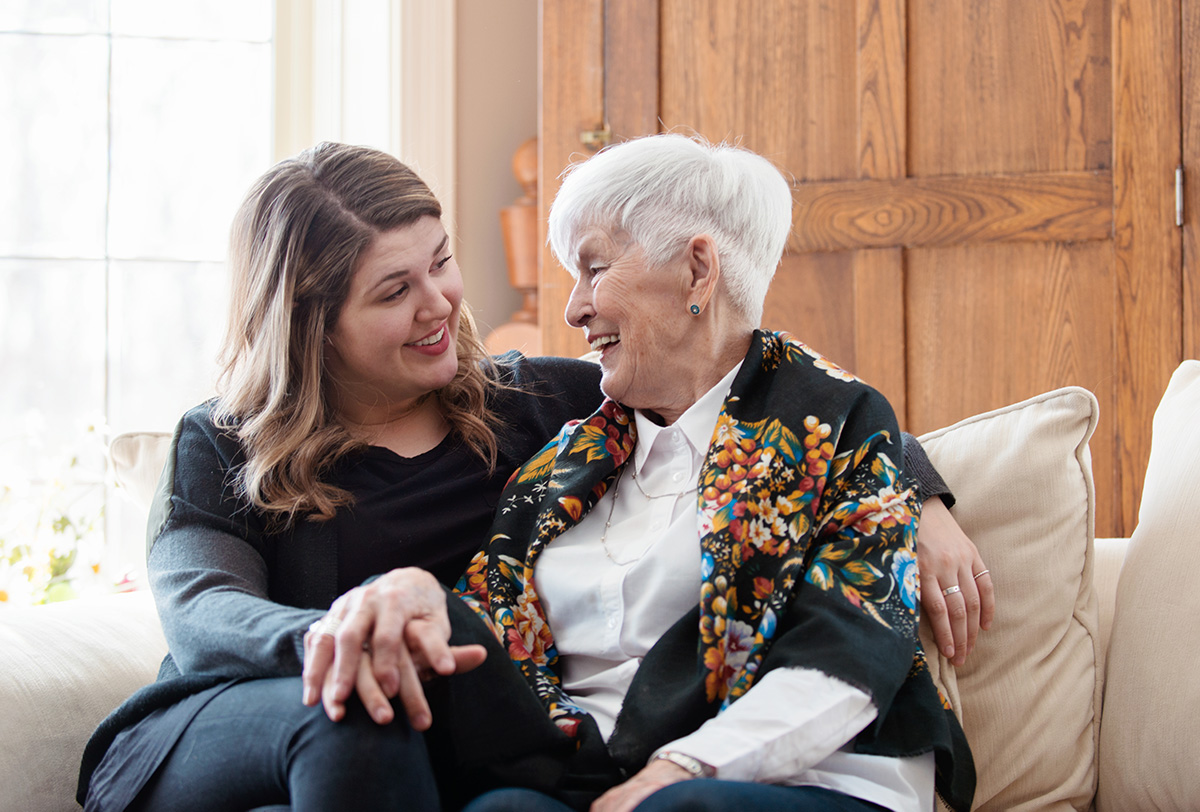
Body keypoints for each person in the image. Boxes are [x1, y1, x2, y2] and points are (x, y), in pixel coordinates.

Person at [78, 140, 983, 812]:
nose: (438, 305)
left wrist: (917, 490)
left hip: (422, 739)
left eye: (440, 263)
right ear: (312, 323)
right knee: (362, 702)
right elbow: (203, 614)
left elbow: (740, 372)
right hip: (232, 713)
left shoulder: (526, 405)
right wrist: (356, 634)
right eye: (394, 292)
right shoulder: (225, 437)